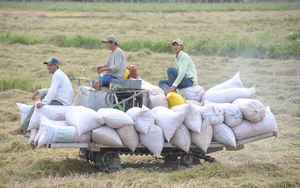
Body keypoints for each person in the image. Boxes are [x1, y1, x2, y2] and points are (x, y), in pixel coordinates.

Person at [8, 57, 74, 135]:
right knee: (42, 97)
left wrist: (44, 103)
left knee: (35, 107)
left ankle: (22, 129)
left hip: (62, 102)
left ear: (56, 65)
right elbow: (52, 89)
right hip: (62, 100)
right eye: (47, 66)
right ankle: (28, 126)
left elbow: (53, 91)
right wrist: (40, 91)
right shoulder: (58, 74)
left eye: (50, 66)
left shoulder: (57, 75)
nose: (48, 68)